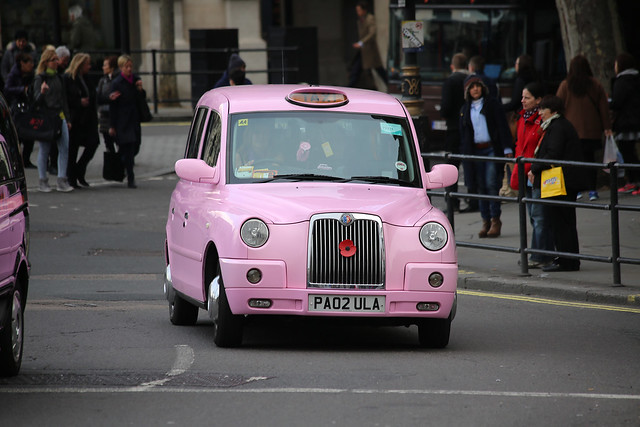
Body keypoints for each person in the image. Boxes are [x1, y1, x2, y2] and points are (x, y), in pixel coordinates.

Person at [529, 95, 583, 272]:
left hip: (562, 182)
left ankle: (567, 262)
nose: (540, 113)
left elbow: (552, 154)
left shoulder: (557, 127)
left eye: (543, 109)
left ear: (553, 111)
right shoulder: (558, 125)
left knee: (562, 223)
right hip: (563, 180)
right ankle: (567, 259)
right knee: (563, 222)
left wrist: (533, 168)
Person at [459, 75, 513, 238]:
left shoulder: (492, 104)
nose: (475, 89)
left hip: (491, 149)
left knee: (491, 183)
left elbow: (502, 126)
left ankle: (495, 219)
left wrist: (507, 148)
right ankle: (485, 221)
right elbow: (464, 134)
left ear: (483, 88)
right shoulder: (465, 109)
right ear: (467, 91)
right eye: (472, 87)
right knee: (480, 185)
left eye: (478, 86)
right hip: (475, 151)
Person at [556, 54, 612, 201]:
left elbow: (558, 106)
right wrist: (607, 127)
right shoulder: (595, 84)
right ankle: (593, 189)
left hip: (571, 131)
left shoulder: (565, 85)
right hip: (591, 130)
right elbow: (603, 108)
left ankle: (577, 189)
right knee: (590, 161)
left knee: (573, 162)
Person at [510, 82, 554, 268]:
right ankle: (540, 253)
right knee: (533, 217)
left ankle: (540, 256)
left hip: (536, 173)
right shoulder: (522, 118)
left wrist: (532, 168)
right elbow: (519, 146)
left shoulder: (543, 119)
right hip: (524, 172)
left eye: (527, 97)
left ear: (538, 100)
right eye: (522, 97)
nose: (523, 101)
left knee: (540, 217)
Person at [32, 48, 73, 192]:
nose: (57, 62)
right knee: (45, 149)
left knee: (64, 147)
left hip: (59, 116)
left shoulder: (59, 78)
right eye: (53, 60)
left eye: (57, 59)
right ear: (46, 62)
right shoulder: (40, 78)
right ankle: (43, 180)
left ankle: (62, 179)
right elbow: (35, 101)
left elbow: (64, 100)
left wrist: (67, 119)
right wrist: (42, 92)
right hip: (46, 117)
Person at [64, 53, 100, 188]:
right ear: (80, 65)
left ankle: (80, 170)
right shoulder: (68, 78)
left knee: (93, 143)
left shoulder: (87, 78)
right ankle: (71, 177)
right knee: (72, 149)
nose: (89, 67)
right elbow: (66, 98)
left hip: (88, 118)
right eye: (87, 64)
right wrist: (79, 102)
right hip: (76, 118)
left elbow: (93, 95)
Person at [109, 55, 144, 188]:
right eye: (126, 66)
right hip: (122, 121)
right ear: (121, 67)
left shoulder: (135, 80)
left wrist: (140, 89)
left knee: (135, 146)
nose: (129, 69)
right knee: (128, 149)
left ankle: (122, 165)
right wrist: (112, 125)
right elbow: (113, 106)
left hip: (134, 119)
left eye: (130, 66)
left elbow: (141, 98)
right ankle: (131, 177)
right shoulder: (117, 83)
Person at [440, 53, 468, 212]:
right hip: (469, 129)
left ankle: (452, 201)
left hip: (453, 128)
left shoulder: (450, 81)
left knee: (451, 165)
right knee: (470, 165)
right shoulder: (470, 80)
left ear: (452, 66)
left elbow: (446, 107)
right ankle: (473, 199)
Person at [610, 52, 640, 195]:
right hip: (636, 120)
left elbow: (617, 102)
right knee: (631, 152)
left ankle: (634, 181)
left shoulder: (622, 81)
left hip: (627, 122)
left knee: (628, 153)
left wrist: (609, 102)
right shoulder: (636, 78)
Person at [4, 52, 36, 168]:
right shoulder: (14, 74)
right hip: (16, 107)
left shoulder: (31, 74)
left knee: (30, 135)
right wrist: (22, 89)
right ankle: (14, 161)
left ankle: (26, 159)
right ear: (22, 63)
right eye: (29, 63)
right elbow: (7, 89)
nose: (32, 65)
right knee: (18, 135)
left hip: (27, 107)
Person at [349, 1, 387, 89]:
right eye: (357, 11)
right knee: (357, 70)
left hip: (370, 50)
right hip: (363, 51)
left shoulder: (370, 18)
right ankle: (351, 86)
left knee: (378, 70)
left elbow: (372, 33)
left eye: (359, 10)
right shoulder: (360, 21)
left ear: (364, 10)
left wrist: (361, 42)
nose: (358, 13)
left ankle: (379, 87)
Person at [96, 55, 119, 153]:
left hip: (115, 115)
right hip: (104, 116)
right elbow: (98, 97)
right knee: (108, 143)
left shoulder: (117, 80)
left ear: (112, 67)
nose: (103, 67)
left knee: (119, 141)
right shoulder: (102, 81)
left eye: (105, 65)